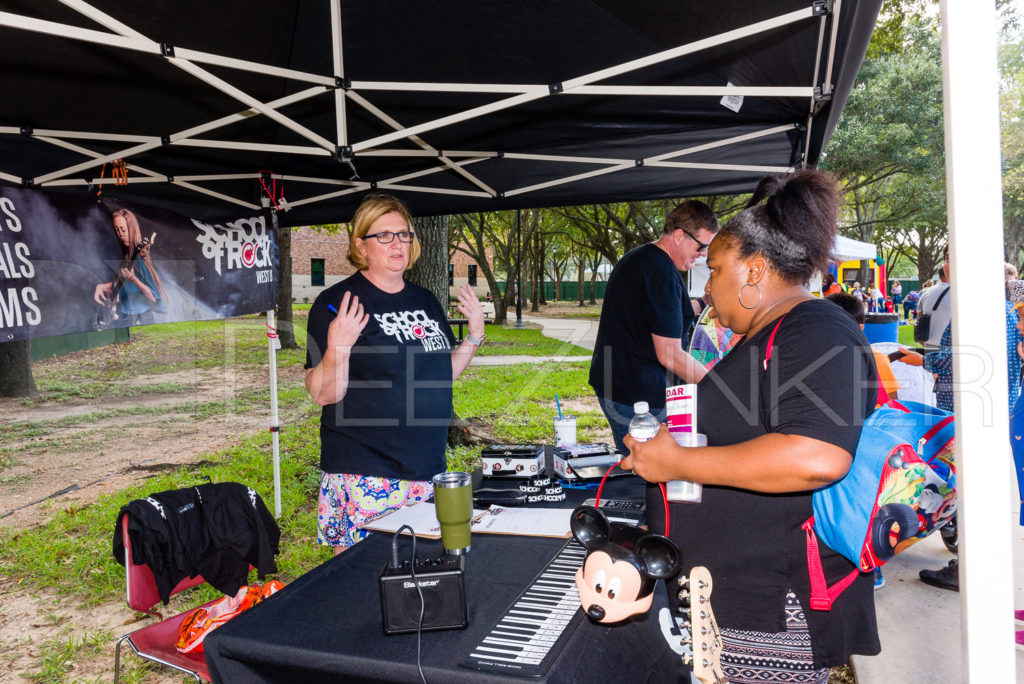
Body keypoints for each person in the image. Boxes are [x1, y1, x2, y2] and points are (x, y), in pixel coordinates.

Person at [622, 170, 879, 683]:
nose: (708, 285)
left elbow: (816, 455)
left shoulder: (814, 329)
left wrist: (677, 461)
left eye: (715, 270)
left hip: (772, 611)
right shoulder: (770, 335)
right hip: (736, 603)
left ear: (756, 271)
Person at [304, 194, 485, 554]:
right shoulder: (337, 302)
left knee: (420, 583)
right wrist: (337, 346)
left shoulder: (426, 301)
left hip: (426, 467)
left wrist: (475, 336)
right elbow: (323, 394)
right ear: (361, 245)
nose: (397, 243)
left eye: (404, 235)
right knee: (362, 584)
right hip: (366, 473)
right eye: (384, 236)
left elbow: (441, 374)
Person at [589, 200, 718, 454]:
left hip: (620, 383)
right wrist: (717, 385)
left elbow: (665, 316)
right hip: (634, 396)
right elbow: (669, 352)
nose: (703, 254)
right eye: (701, 246)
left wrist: (703, 302)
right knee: (648, 470)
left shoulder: (642, 258)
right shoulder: (661, 273)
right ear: (680, 235)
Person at [93, 208, 167, 323]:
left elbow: (154, 298)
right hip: (127, 314)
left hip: (140, 317)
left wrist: (134, 279)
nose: (120, 234)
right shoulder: (128, 255)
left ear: (132, 228)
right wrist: (103, 286)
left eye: (123, 229)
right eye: (117, 229)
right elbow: (125, 284)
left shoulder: (139, 257)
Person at [917, 261, 952, 350]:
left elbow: (919, 318)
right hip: (950, 345)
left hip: (929, 342)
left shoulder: (926, 292)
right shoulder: (956, 292)